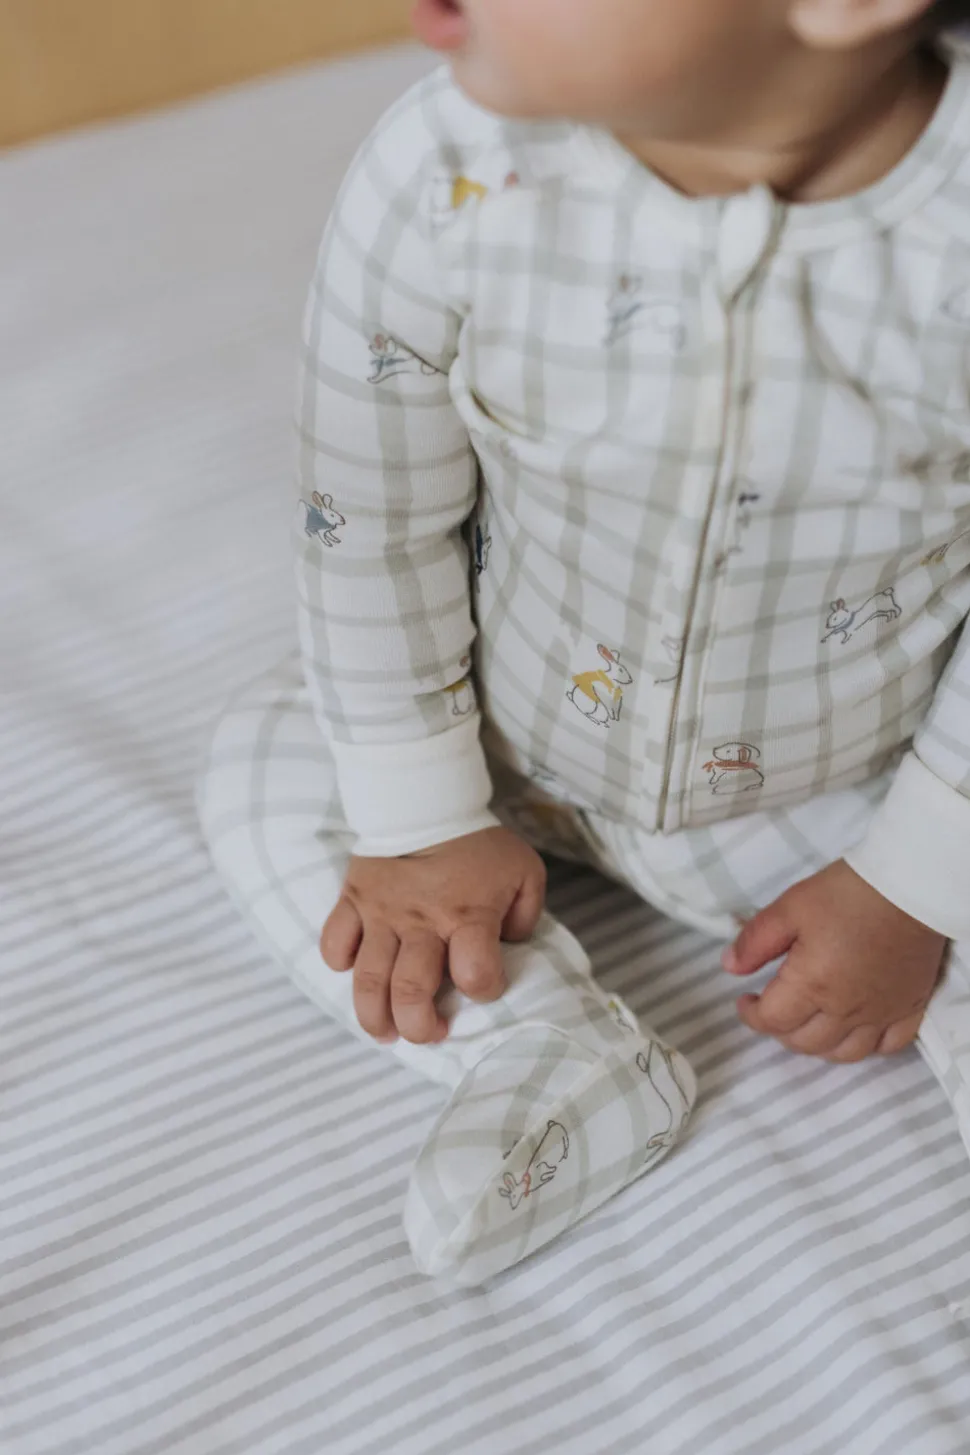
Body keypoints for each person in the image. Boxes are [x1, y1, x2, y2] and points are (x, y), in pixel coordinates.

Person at [200, 0, 970, 1283]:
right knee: (267, 758)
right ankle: (544, 1047)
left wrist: (913, 881)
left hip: (849, 795)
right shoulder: (449, 170)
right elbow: (365, 522)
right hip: (496, 740)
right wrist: (420, 816)